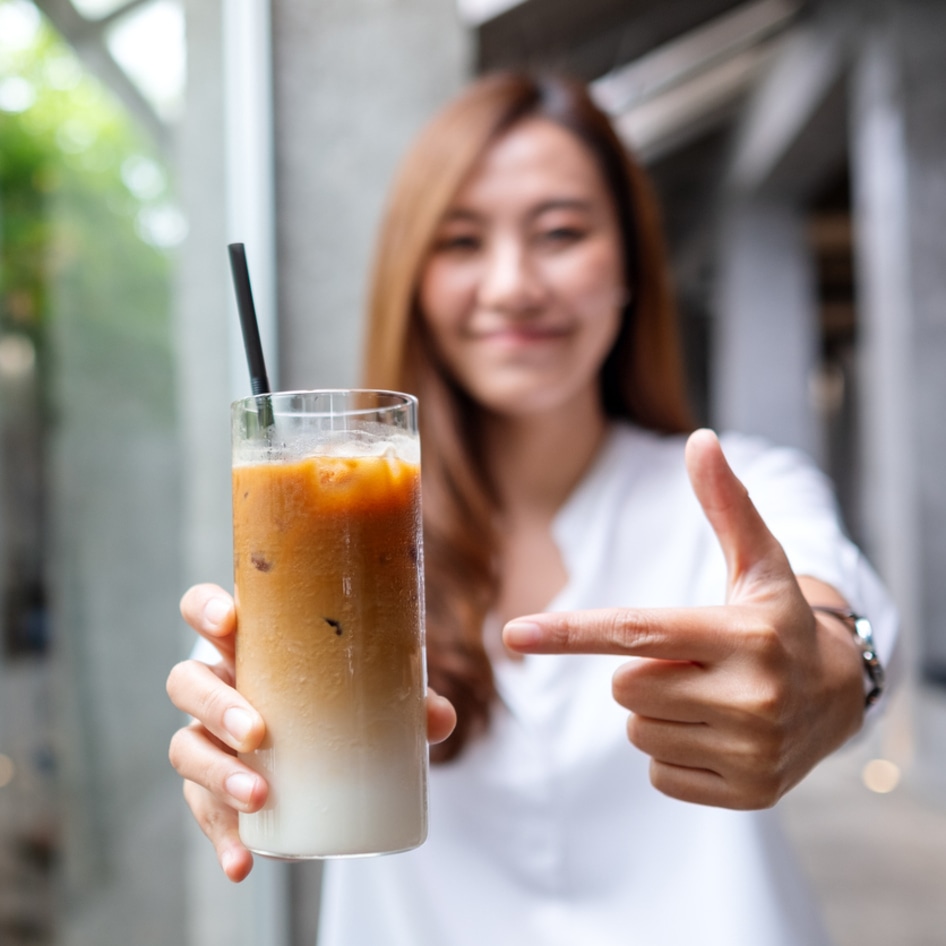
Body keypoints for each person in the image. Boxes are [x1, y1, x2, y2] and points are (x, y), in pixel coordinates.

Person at [167, 71, 897, 945]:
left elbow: (834, 613)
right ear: (415, 277)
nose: (512, 285)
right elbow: (233, 711)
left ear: (629, 263)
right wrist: (224, 746)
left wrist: (825, 675)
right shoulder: (329, 527)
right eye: (463, 241)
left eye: (559, 232)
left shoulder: (736, 484)